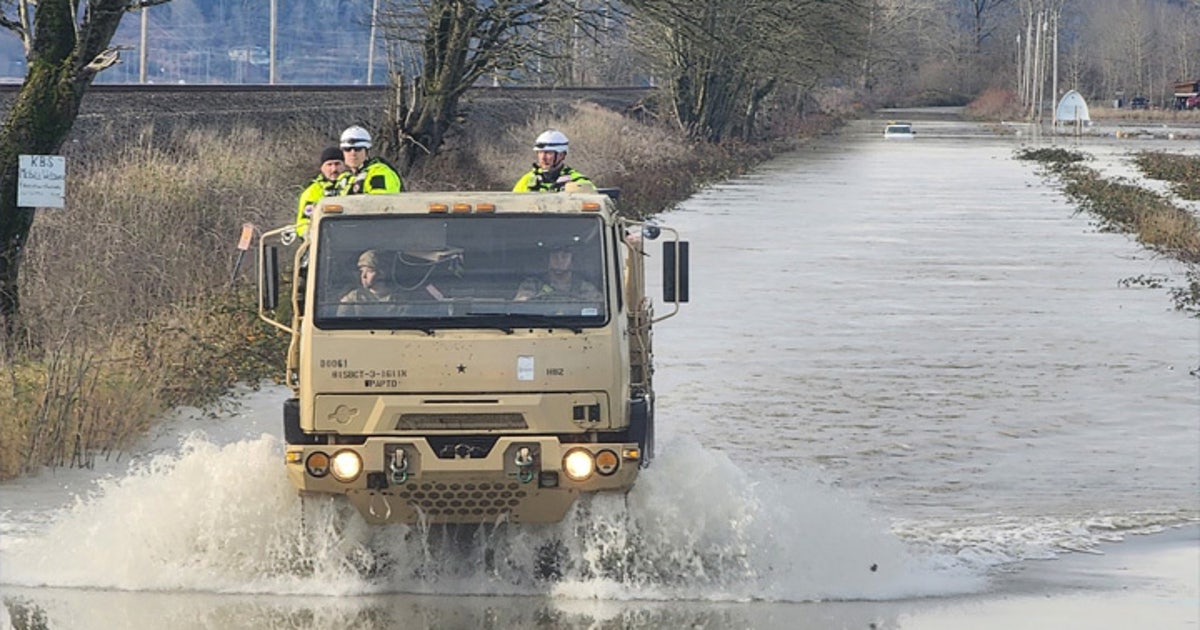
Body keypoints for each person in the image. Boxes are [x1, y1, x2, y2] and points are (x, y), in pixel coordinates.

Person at [513, 242, 602, 302]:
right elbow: (520, 306)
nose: (559, 260)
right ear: (548, 260)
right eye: (554, 256)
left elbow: (598, 307)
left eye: (564, 256)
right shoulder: (532, 285)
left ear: (572, 261)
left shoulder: (585, 287)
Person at [512, 130, 593, 193]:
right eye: (540, 152)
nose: (543, 158)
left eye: (548, 153)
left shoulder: (579, 182)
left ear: (562, 155)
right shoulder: (527, 180)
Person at [294, 146, 346, 238]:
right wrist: (310, 235)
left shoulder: (354, 185)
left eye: (337, 164)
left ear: (344, 165)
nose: (334, 169)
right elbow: (303, 222)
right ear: (322, 168)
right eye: (329, 165)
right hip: (324, 243)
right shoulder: (312, 192)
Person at [337, 125, 403, 195]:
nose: (353, 153)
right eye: (347, 149)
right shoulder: (345, 178)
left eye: (358, 149)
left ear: (367, 151)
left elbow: (379, 202)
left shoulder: (379, 172)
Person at [338, 250, 401, 316]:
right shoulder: (353, 298)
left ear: (382, 273)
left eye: (369, 271)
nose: (364, 276)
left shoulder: (400, 300)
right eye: (362, 271)